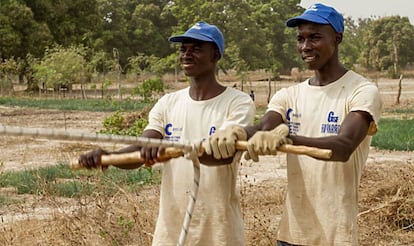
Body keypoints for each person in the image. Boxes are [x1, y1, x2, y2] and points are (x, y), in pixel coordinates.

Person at [205, 3, 383, 246]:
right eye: (300, 39)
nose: (305, 46)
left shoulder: (361, 91)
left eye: (315, 37)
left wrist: (288, 139)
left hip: (335, 235)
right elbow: (262, 129)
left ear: (337, 38)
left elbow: (343, 146)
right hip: (290, 234)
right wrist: (236, 133)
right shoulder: (289, 95)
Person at [78, 21, 255, 246]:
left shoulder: (237, 103)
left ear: (215, 55)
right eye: (183, 49)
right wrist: (109, 156)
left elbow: (223, 155)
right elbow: (144, 148)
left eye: (196, 48)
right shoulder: (168, 103)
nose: (186, 55)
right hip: (171, 232)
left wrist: (173, 149)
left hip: (219, 231)